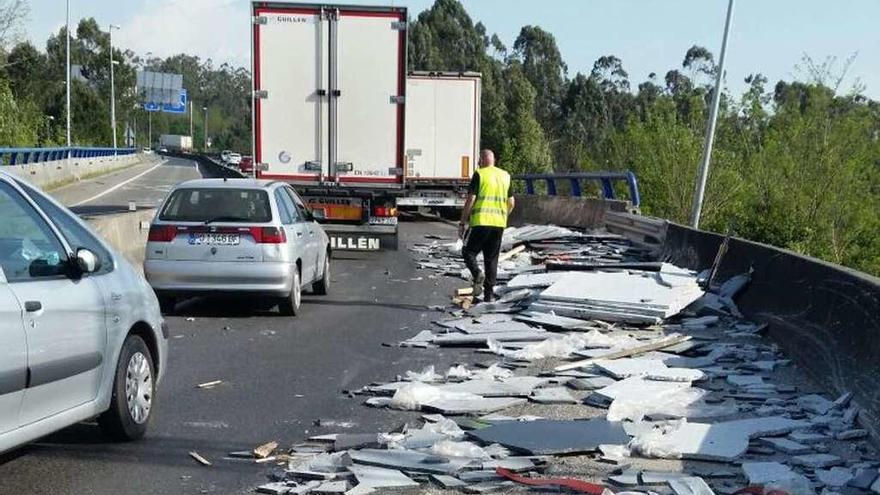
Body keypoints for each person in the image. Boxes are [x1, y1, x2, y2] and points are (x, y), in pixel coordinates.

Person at [458, 149, 515, 302]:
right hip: (498, 225)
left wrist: (463, 222)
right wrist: (503, 216)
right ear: (494, 160)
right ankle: (489, 296)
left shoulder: (480, 174)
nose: (478, 163)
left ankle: (477, 274)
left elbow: (471, 200)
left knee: (468, 252)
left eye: (479, 160)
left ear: (483, 160)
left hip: (481, 222)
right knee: (491, 259)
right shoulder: (505, 176)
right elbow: (511, 202)